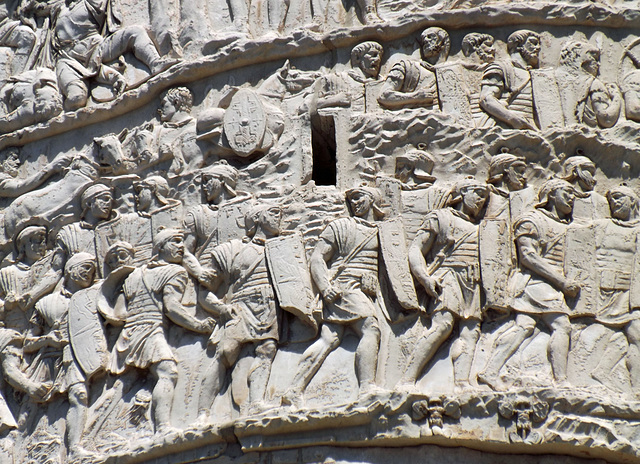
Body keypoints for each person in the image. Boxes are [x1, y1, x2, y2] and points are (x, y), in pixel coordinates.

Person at [282, 187, 385, 406]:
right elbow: (318, 257)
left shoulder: (381, 232)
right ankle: (367, 388)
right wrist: (325, 286)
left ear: (372, 200)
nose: (355, 202)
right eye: (351, 199)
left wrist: (373, 282)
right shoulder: (340, 226)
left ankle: (293, 390)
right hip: (344, 288)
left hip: (360, 290)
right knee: (370, 328)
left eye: (359, 197)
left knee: (329, 339)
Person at [478, 179, 580, 390]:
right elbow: (528, 256)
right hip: (535, 283)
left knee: (524, 327)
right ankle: (561, 380)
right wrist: (561, 282)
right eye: (567, 192)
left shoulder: (568, 225)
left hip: (548, 284)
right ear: (551, 194)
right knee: (561, 325)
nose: (572, 197)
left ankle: (490, 371)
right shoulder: (531, 220)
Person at [109, 229, 213, 433]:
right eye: (175, 242)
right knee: (168, 372)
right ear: (160, 247)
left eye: (182, 242)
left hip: (127, 335)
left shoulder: (133, 275)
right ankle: (163, 426)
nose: (181, 247)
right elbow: (171, 308)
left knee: (126, 382)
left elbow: (119, 314)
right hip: (150, 330)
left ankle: (104, 422)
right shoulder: (175, 272)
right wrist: (198, 325)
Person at [400, 177, 489, 391]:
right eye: (476, 192)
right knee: (443, 326)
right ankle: (406, 380)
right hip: (447, 276)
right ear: (461, 193)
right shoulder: (440, 217)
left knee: (470, 331)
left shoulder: (482, 228)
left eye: (484, 197)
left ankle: (462, 384)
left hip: (473, 281)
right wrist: (425, 278)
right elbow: (415, 250)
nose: (480, 200)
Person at [197, 204, 282, 420]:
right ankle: (202, 414)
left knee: (267, 350)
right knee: (225, 354)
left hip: (268, 307)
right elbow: (204, 292)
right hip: (240, 307)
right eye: (272, 212)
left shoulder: (282, 248)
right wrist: (221, 308)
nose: (278, 216)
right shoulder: (232, 249)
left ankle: (257, 403)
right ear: (257, 219)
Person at [50, 0, 177, 110]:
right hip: (67, 60)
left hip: (96, 48)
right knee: (76, 99)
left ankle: (155, 63)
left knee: (135, 32)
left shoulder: (89, 3)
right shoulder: (59, 9)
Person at [480, 30, 541, 130]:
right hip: (505, 129)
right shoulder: (501, 67)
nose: (537, 48)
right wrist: (513, 119)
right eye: (533, 43)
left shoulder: (535, 75)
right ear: (518, 45)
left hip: (532, 129)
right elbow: (486, 99)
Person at [378, 27, 449, 110]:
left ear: (443, 42)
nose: (425, 41)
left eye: (430, 37)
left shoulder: (451, 73)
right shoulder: (407, 66)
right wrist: (415, 97)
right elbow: (384, 95)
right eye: (423, 39)